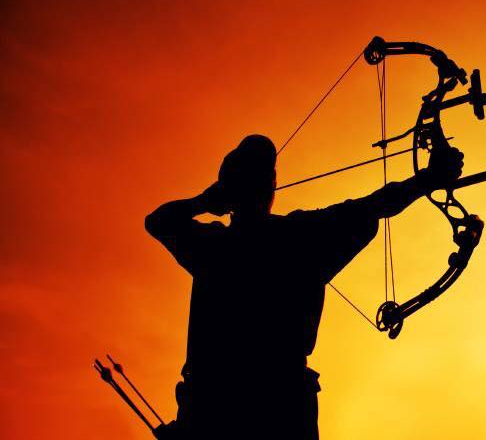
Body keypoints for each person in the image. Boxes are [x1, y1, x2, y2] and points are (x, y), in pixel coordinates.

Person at [145, 134, 463, 439]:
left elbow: (159, 221)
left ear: (227, 191)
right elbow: (374, 205)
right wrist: (429, 178)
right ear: (271, 186)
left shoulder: (212, 247)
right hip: (277, 409)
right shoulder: (299, 237)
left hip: (215, 411)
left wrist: (204, 201)